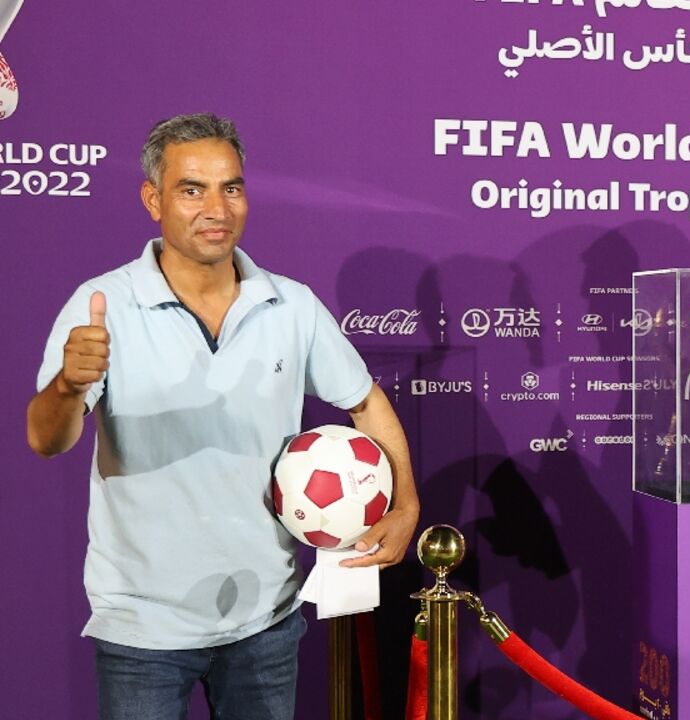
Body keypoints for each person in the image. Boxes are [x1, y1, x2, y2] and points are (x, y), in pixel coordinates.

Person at [26, 113, 420, 719]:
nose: (216, 207)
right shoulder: (103, 305)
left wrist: (406, 504)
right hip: (142, 628)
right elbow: (46, 439)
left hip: (266, 623)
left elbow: (364, 400)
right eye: (192, 190)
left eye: (230, 187)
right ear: (153, 199)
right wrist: (67, 384)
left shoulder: (290, 304)